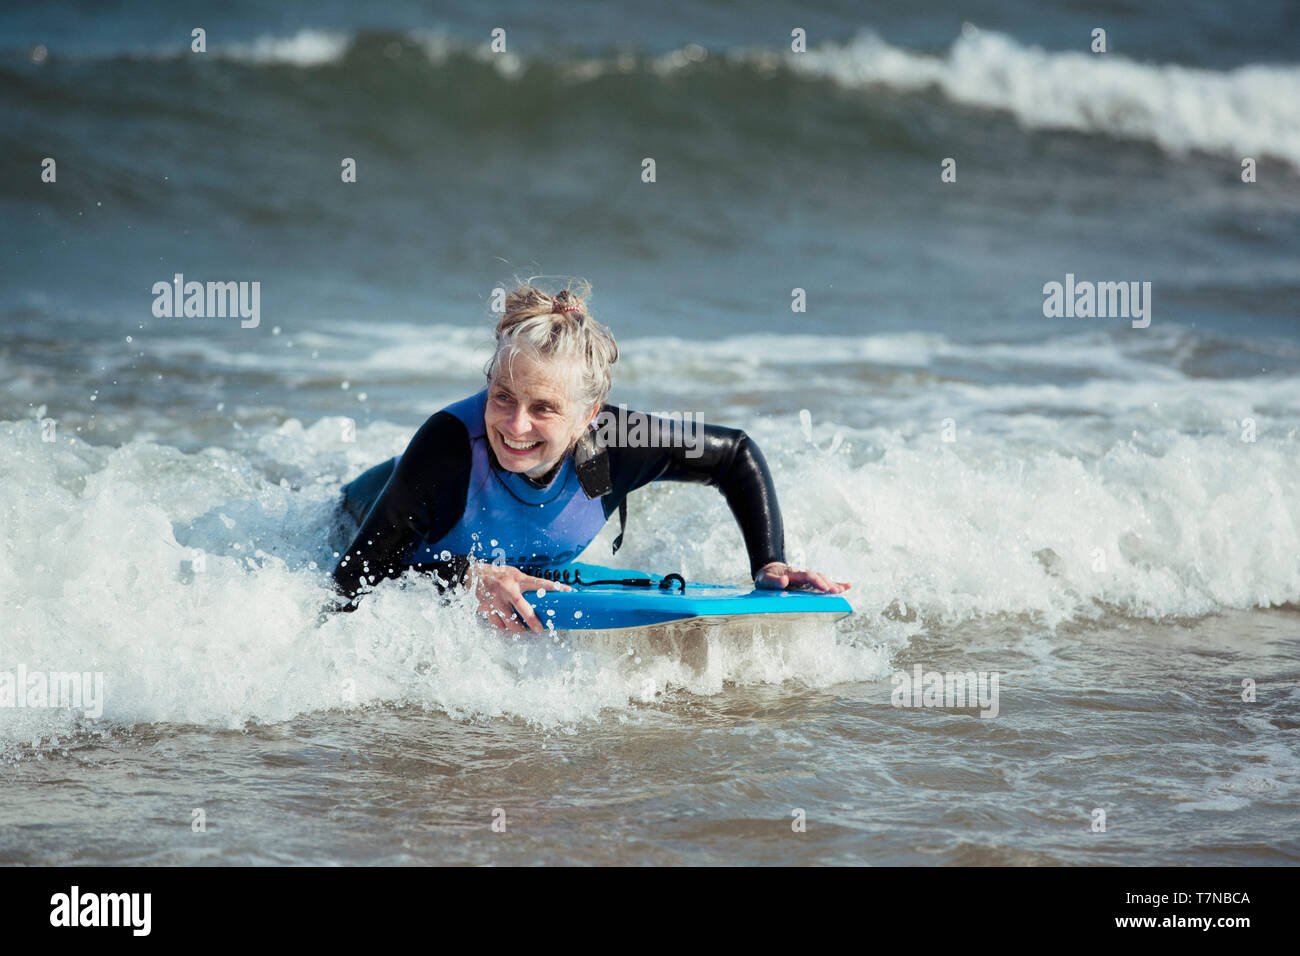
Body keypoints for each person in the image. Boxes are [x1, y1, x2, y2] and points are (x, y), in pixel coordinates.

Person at [330, 282, 850, 632]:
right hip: (359, 514)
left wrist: (770, 562)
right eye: (503, 396)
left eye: (544, 408)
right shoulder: (448, 449)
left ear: (589, 416)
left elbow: (735, 454)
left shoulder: (619, 440)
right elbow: (350, 583)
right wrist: (466, 578)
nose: (515, 426)